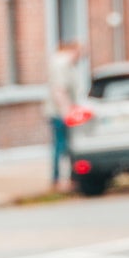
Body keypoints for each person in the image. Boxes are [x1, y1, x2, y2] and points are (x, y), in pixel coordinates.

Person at [46, 37, 81, 188]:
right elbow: (59, 90)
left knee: (62, 145)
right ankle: (58, 178)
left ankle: (63, 177)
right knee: (62, 146)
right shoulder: (62, 64)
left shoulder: (63, 63)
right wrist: (67, 112)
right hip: (60, 113)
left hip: (61, 112)